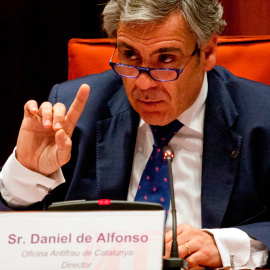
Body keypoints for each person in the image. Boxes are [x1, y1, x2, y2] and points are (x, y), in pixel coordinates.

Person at [1, 0, 270, 268]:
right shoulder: (76, 112)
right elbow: (14, 233)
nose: (142, 83)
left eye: (165, 60)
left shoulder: (261, 117)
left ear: (208, 52)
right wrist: (27, 173)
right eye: (130, 56)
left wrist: (225, 245)